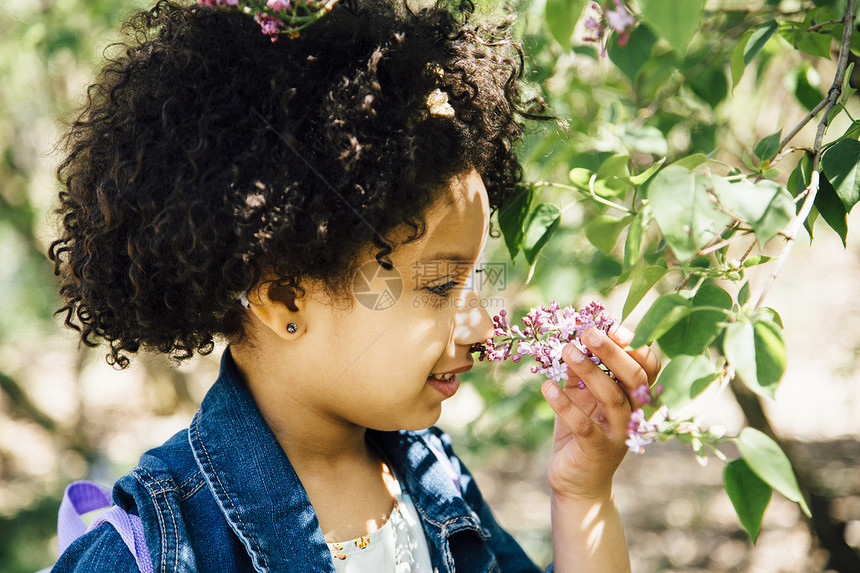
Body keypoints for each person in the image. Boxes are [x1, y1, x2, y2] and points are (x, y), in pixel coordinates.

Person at [48, 0, 660, 571]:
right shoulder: (155, 547)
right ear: (285, 299)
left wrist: (581, 495)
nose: (480, 326)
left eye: (474, 280)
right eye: (440, 285)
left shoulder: (433, 473)